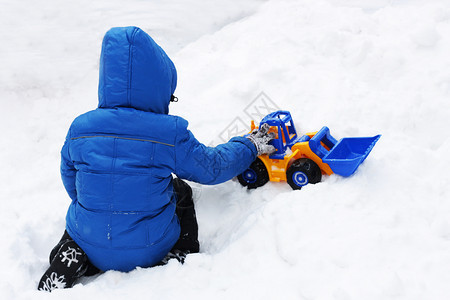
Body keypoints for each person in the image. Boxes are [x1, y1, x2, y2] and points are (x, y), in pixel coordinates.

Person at [37, 26, 275, 292]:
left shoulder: (80, 128)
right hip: (150, 248)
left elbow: (70, 178)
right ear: (158, 88)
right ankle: (180, 253)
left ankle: (72, 256)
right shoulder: (168, 133)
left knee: (82, 212)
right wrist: (249, 145)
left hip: (89, 241)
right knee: (181, 190)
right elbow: (212, 168)